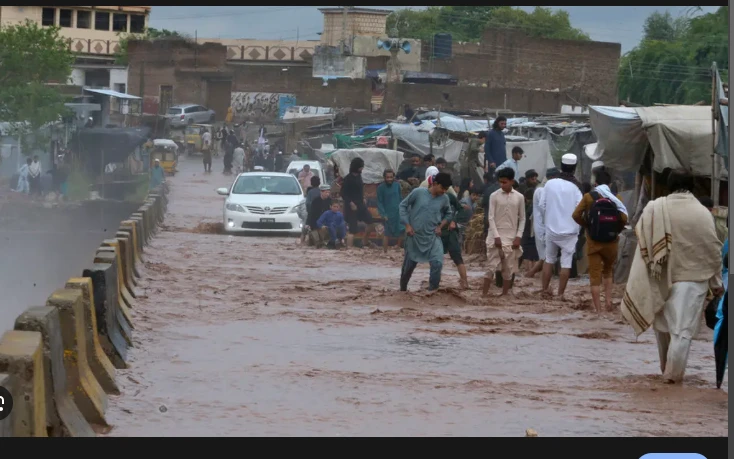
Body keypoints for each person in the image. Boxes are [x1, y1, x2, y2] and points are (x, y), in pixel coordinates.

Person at [622, 169, 723, 384]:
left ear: (668, 185)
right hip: (693, 281)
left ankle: (665, 374)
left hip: (659, 277)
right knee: (682, 332)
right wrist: (716, 285)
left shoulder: (655, 208)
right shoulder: (702, 212)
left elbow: (644, 244)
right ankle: (673, 379)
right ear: (693, 186)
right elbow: (712, 250)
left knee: (662, 329)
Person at [572, 169, 628, 313]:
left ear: (595, 183)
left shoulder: (588, 197)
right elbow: (623, 218)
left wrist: (587, 226)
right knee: (608, 272)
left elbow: (576, 215)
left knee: (595, 276)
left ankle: (598, 311)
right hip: (611, 242)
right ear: (609, 184)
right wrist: (616, 231)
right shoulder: (617, 198)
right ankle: (609, 302)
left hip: (594, 243)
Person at [399, 172, 453, 292]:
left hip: (433, 237)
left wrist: (441, 226)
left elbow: (449, 214)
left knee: (437, 263)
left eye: (446, 189)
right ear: (434, 184)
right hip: (414, 236)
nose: (444, 191)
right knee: (408, 268)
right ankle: (402, 290)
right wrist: (407, 225)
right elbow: (403, 206)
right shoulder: (418, 193)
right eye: (442, 188)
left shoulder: (444, 198)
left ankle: (432, 291)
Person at [538, 154, 583, 299]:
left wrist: (550, 218)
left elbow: (541, 205)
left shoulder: (550, 184)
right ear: (574, 168)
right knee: (566, 263)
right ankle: (560, 295)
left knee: (549, 259)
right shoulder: (576, 188)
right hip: (570, 232)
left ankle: (545, 291)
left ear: (561, 167)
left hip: (551, 230)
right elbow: (579, 210)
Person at [483, 167, 525, 297]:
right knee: (491, 266)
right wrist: (496, 236)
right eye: (500, 182)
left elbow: (522, 218)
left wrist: (518, 237)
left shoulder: (519, 197)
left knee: (508, 268)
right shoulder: (494, 196)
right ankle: (484, 295)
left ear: (512, 181)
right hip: (495, 235)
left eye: (505, 182)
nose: (502, 185)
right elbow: (490, 217)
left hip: (511, 236)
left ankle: (504, 295)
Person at [525, 167, 560, 279]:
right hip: (543, 228)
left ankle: (533, 275)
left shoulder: (546, 189)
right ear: (553, 178)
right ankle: (532, 275)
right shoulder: (541, 190)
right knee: (546, 256)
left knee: (546, 256)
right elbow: (544, 209)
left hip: (546, 227)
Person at [342, 157, 374, 248]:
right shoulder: (348, 178)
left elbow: (360, 189)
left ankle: (365, 242)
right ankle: (349, 249)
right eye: (361, 167)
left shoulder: (359, 177)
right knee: (352, 229)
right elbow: (344, 193)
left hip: (361, 204)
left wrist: (363, 197)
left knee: (370, 222)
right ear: (356, 167)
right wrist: (351, 203)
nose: (362, 169)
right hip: (351, 206)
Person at [443, 190, 470, 289]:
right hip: (436, 233)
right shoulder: (429, 198)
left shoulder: (449, 196)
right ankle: (434, 284)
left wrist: (454, 220)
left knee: (457, 257)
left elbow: (460, 209)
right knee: (435, 259)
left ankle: (465, 282)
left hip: (450, 232)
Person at [377, 169, 405, 253]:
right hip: (387, 213)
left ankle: (398, 247)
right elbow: (379, 202)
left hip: (398, 211)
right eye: (387, 177)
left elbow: (400, 198)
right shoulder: (380, 188)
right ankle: (385, 252)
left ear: (393, 177)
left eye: (391, 177)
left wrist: (402, 209)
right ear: (384, 178)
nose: (389, 179)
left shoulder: (397, 185)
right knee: (386, 233)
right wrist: (383, 214)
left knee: (401, 230)